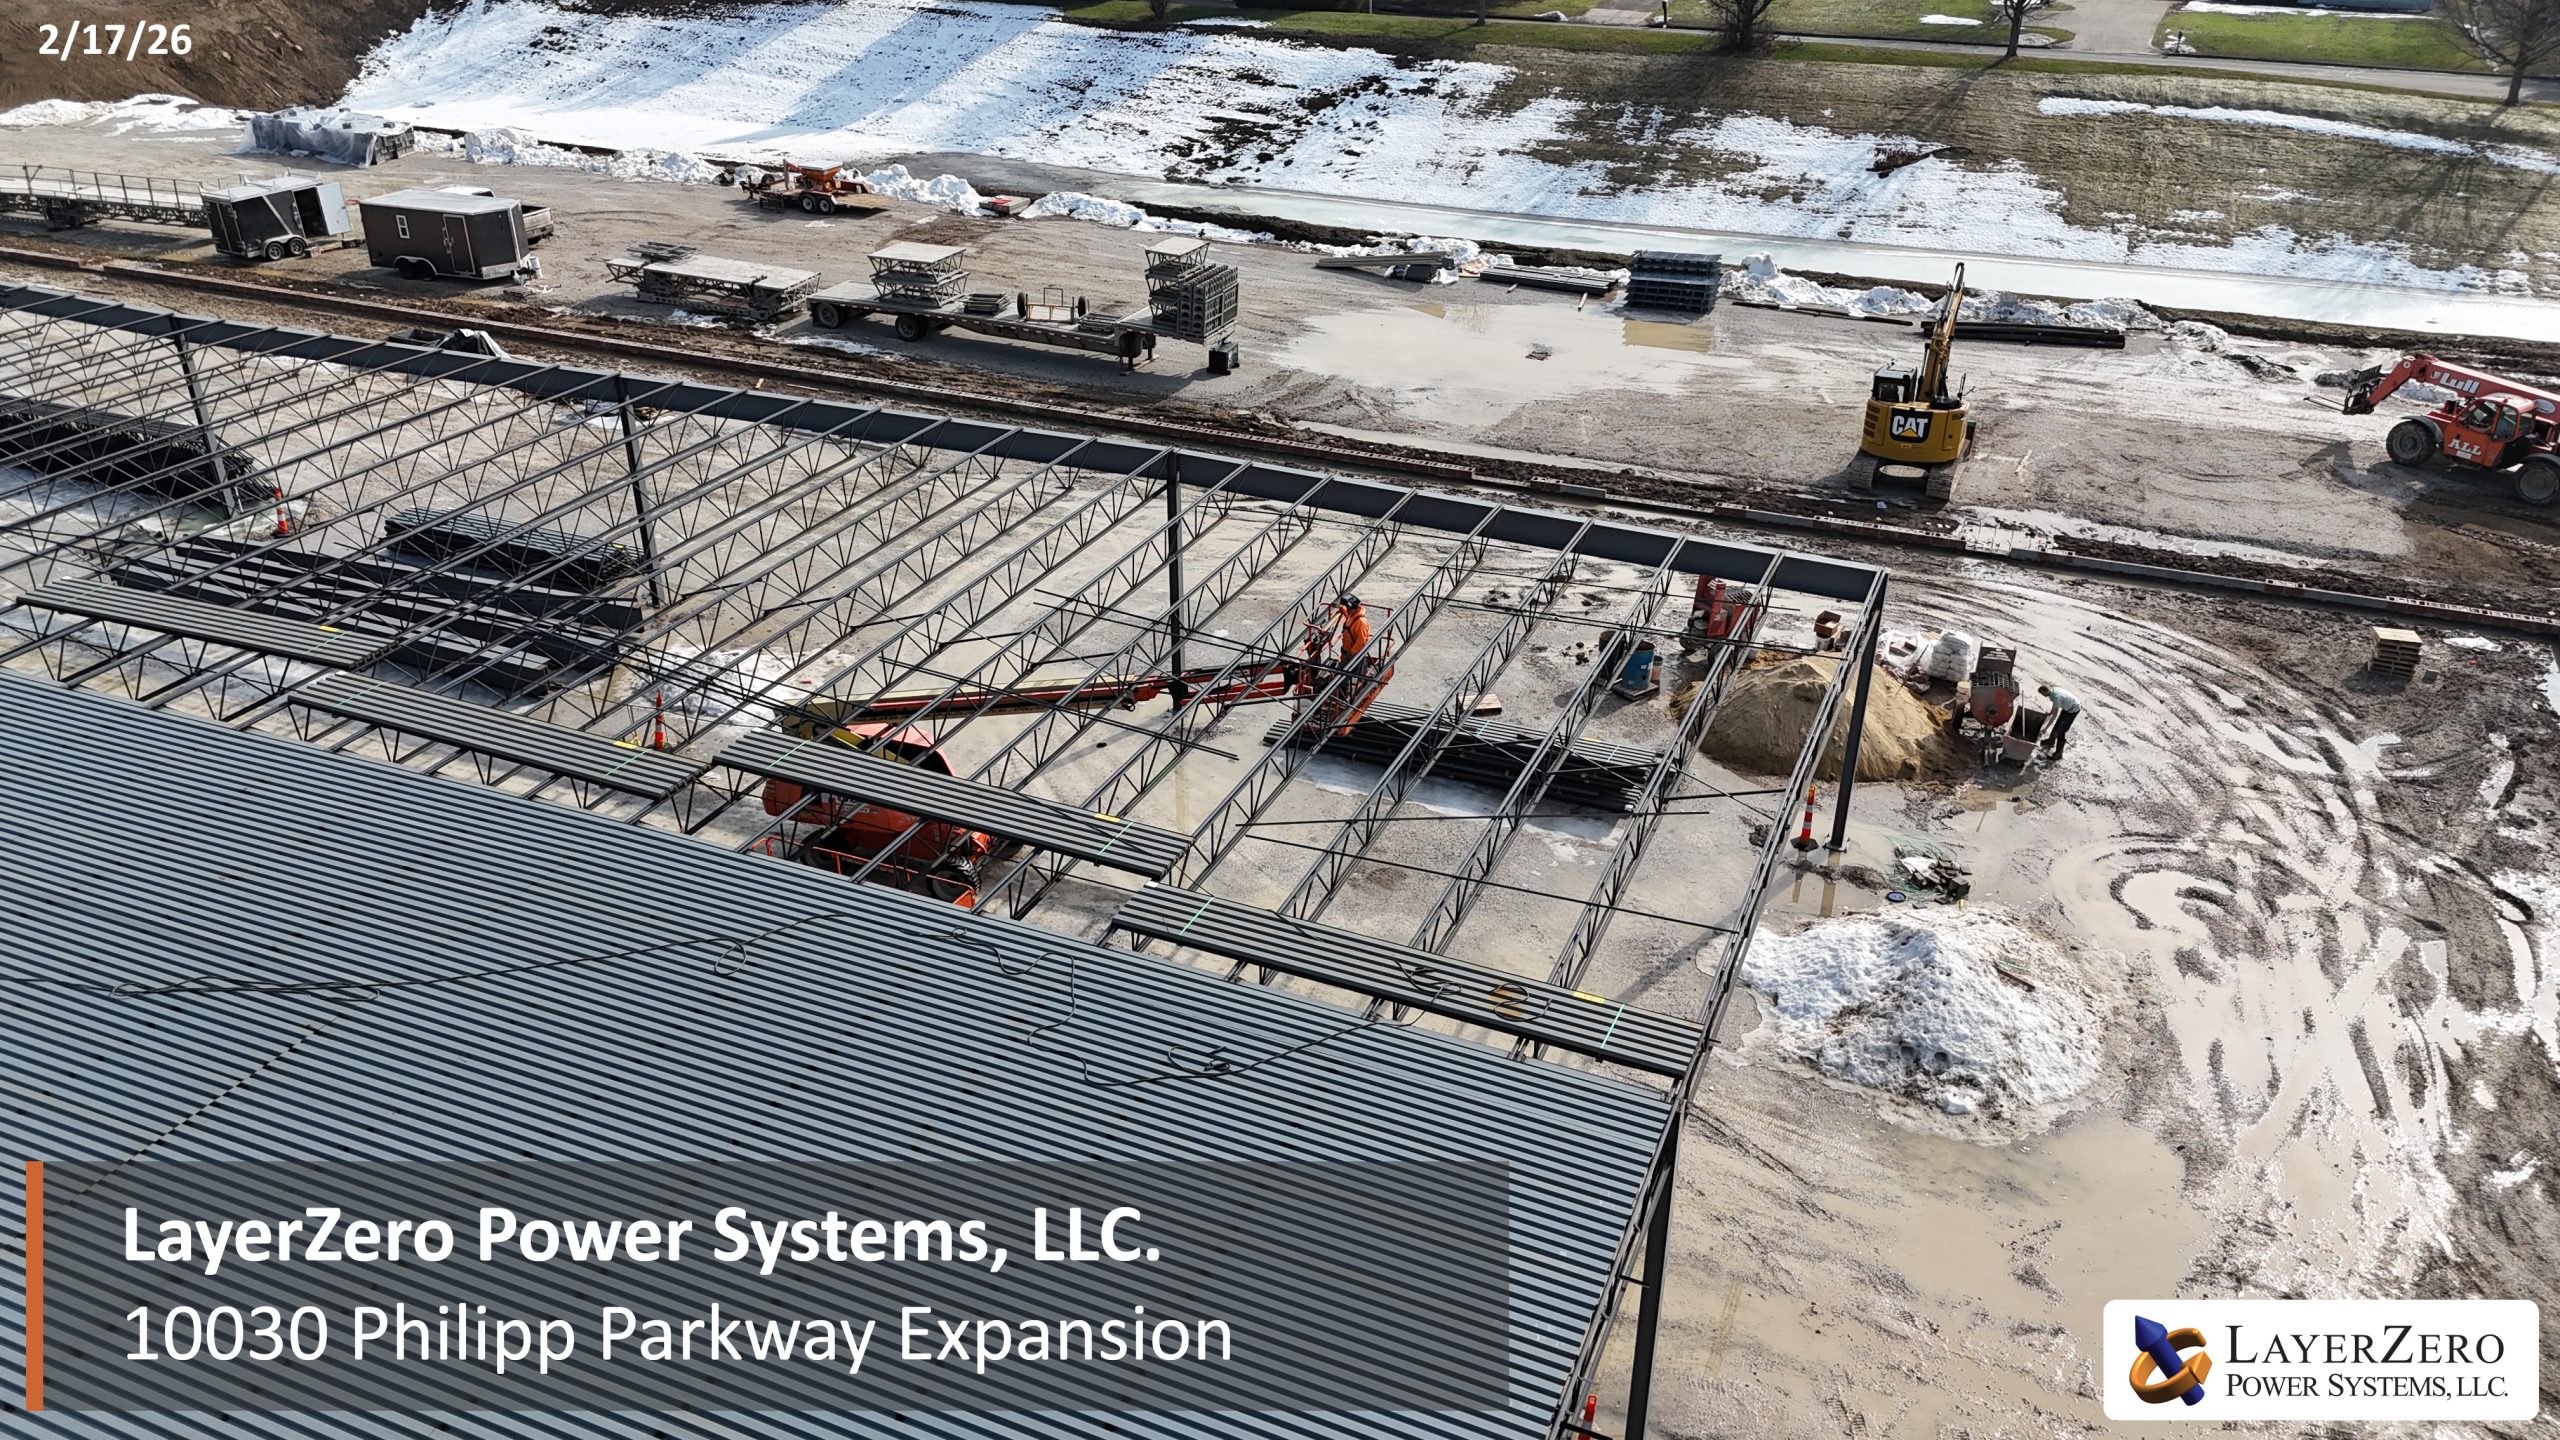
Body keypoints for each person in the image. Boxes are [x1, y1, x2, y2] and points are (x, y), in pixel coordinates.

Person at [2035, 682, 2083, 756]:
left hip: (2073, 710)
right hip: (2068, 707)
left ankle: (2058, 754)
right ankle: (2051, 741)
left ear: (2045, 692)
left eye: (2042, 694)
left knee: (2061, 730)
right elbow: (2054, 708)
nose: (2042, 695)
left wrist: (2046, 728)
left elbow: (2054, 715)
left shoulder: (2056, 697)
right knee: (2058, 724)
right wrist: (2050, 712)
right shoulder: (2053, 689)